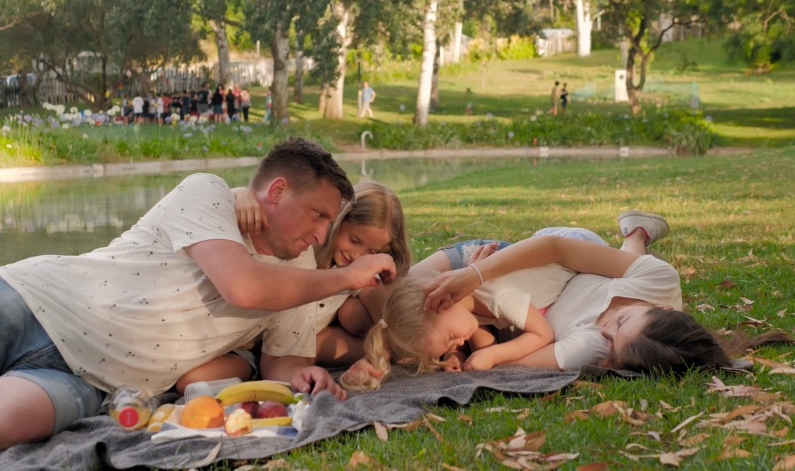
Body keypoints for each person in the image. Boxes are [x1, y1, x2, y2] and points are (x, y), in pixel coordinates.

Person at [0, 137, 398, 452]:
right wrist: (348, 276)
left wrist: (302, 377)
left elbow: (282, 359)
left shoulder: (298, 278)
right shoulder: (208, 194)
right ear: (277, 191)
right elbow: (243, 285)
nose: (321, 236)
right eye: (318, 215)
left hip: (93, 381)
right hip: (32, 301)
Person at [340, 211, 793, 389]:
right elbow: (556, 250)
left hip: (510, 295)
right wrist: (473, 273)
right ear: (663, 309)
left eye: (611, 342)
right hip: (528, 256)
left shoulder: (597, 345)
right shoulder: (659, 283)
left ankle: (637, 232)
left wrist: (485, 351)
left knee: (374, 324)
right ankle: (636, 234)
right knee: (376, 300)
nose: (605, 326)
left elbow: (512, 354)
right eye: (621, 319)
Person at [175, 181, 411, 390]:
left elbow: (391, 322)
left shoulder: (364, 276)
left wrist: (373, 360)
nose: (357, 255)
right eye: (354, 240)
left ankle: (257, 372)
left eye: (371, 251)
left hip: (265, 351)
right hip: (241, 327)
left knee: (191, 381)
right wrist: (241, 194)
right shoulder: (301, 244)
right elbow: (265, 205)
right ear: (338, 220)